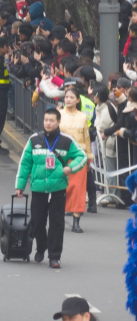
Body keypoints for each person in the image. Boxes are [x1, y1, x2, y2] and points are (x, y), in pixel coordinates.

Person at [15, 107, 88, 268]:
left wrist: (71, 168)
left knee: (57, 223)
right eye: (46, 120)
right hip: (39, 189)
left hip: (58, 189)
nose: (48, 123)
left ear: (58, 122)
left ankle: (55, 256)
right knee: (37, 221)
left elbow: (82, 156)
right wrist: (20, 186)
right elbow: (25, 164)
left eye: (51, 120)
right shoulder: (34, 140)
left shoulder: (66, 141)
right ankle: (41, 247)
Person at [58, 86, 92, 233]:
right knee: (61, 188)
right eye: (66, 97)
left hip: (79, 156)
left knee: (78, 189)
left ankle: (76, 221)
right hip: (61, 155)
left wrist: (89, 157)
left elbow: (86, 137)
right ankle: (58, 217)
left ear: (78, 100)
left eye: (72, 97)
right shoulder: (58, 114)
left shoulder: (83, 117)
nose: (69, 99)